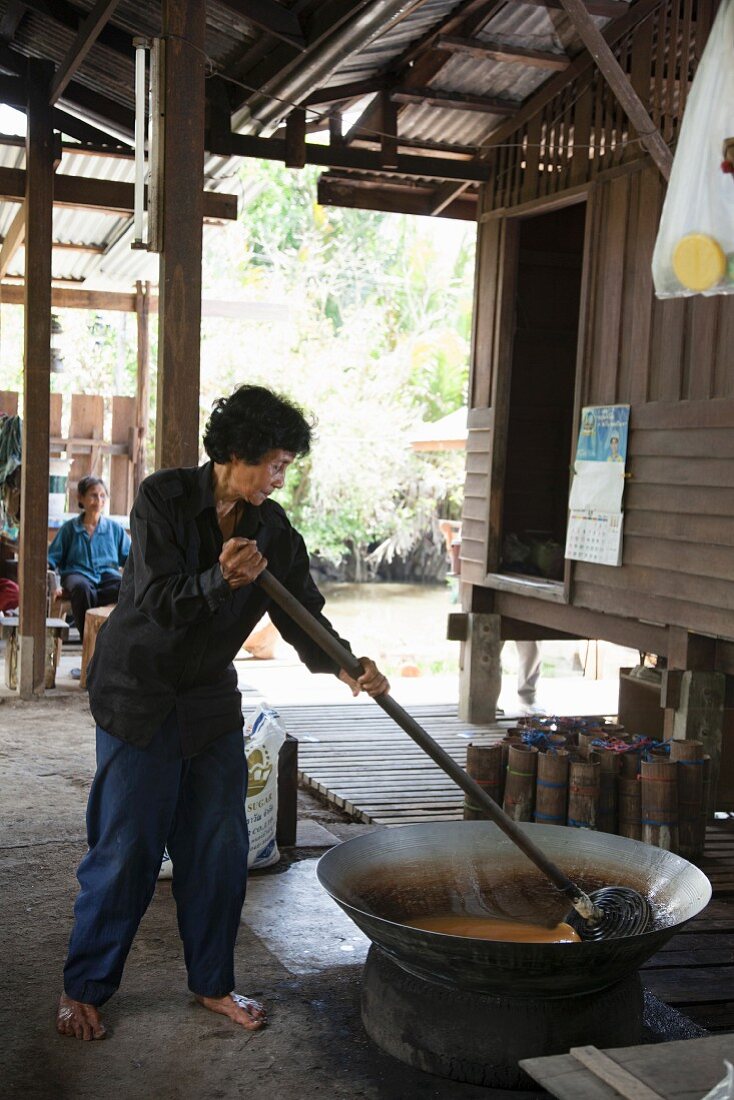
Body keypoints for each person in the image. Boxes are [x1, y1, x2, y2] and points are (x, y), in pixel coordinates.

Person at [56, 385, 389, 1042]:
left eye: (286, 466)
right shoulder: (165, 498)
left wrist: (350, 664)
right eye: (270, 463)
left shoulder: (273, 531)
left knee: (218, 848)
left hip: (207, 700)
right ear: (233, 454)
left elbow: (304, 618)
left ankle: (211, 984)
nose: (277, 476)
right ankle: (84, 986)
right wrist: (219, 580)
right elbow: (151, 598)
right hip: (139, 693)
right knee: (128, 848)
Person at [47, 476, 130, 643]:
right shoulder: (70, 529)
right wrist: (54, 585)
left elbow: (130, 559)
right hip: (77, 574)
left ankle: (113, 637)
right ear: (81, 498)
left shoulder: (114, 529)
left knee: (126, 588)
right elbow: (51, 558)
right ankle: (89, 638)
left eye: (102, 496)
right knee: (83, 588)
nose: (98, 500)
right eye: (93, 495)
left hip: (106, 577)